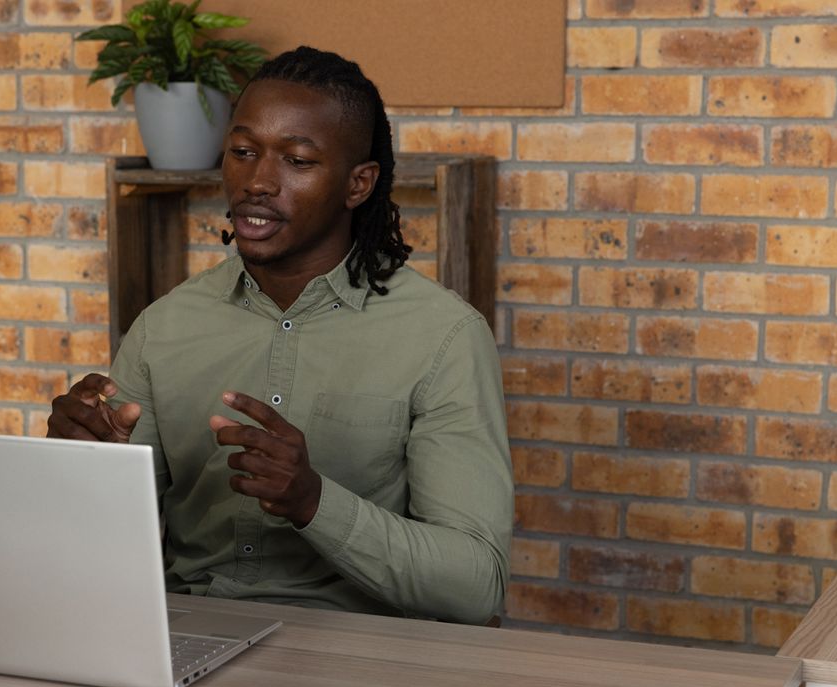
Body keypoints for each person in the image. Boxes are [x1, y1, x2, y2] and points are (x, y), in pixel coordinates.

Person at [48, 47, 512, 625]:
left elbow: (474, 586)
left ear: (358, 183)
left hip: (361, 657)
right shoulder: (167, 327)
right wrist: (76, 464)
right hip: (188, 640)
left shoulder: (442, 337)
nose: (257, 182)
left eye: (297, 160)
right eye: (243, 152)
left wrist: (313, 501)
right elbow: (88, 553)